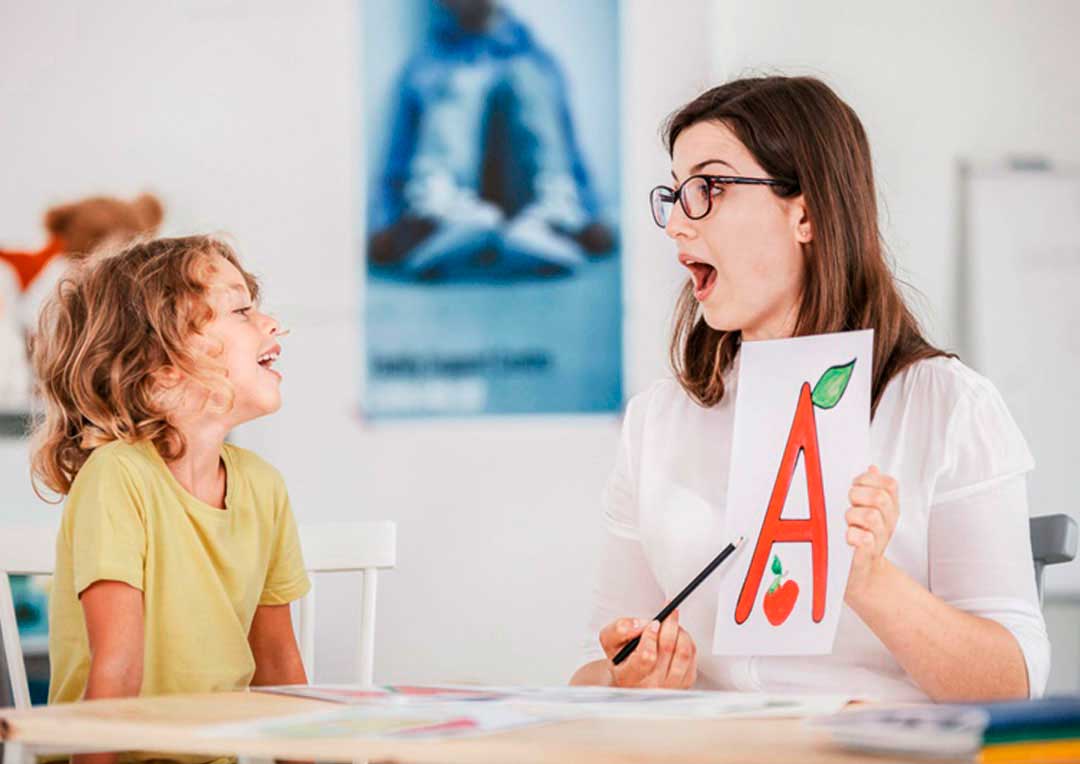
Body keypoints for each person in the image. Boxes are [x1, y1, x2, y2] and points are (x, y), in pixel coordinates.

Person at [570, 76, 1049, 702]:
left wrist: (872, 582)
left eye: (709, 189)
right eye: (676, 194)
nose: (677, 227)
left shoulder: (947, 407)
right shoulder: (659, 420)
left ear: (807, 213)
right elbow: (588, 672)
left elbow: (1013, 686)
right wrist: (627, 675)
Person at [32, 235, 309, 763]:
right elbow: (115, 669)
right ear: (162, 367)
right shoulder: (118, 477)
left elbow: (279, 666)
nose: (271, 324)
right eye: (242, 309)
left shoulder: (264, 487)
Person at [368, 0, 615, 281]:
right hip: (457, 208)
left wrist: (592, 212)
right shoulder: (425, 66)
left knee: (526, 77)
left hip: (523, 203)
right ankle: (438, 219)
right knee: (459, 80)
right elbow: (398, 153)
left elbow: (567, 148)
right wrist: (384, 222)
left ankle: (552, 219)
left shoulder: (537, 62)